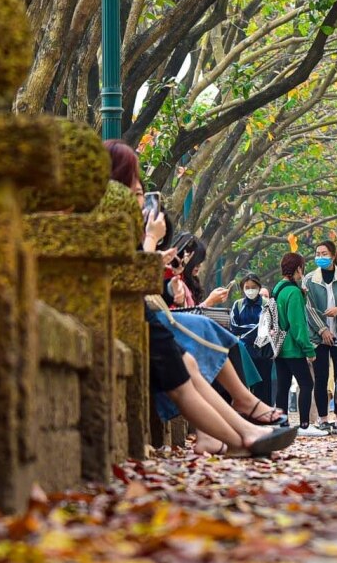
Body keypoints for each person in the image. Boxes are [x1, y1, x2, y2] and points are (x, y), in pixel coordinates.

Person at [105, 141, 295, 457]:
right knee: (188, 361)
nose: (140, 203)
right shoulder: (109, 226)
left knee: (190, 361)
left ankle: (241, 429)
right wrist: (151, 241)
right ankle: (243, 435)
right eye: (136, 193)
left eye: (141, 196)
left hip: (144, 316)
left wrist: (164, 272)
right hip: (130, 319)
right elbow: (130, 278)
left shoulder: (119, 227)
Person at [272, 252, 326, 433]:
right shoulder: (293, 292)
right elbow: (298, 326)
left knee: (283, 385)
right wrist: (309, 350)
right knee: (306, 384)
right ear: (298, 269)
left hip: (278, 347)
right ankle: (304, 425)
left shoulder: (278, 288)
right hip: (293, 348)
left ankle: (282, 423)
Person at [305, 239, 337, 431]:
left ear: (333, 256)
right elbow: (308, 308)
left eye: (324, 254)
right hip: (318, 337)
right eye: (317, 254)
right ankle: (323, 419)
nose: (320, 257)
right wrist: (322, 330)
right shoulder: (309, 279)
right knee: (321, 378)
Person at [230, 272, 275, 402]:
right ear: (243, 288)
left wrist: (250, 331)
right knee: (244, 384)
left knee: (264, 385)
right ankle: (247, 415)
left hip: (264, 350)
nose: (250, 290)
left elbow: (271, 326)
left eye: (253, 287)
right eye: (247, 287)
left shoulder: (268, 304)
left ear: (259, 287)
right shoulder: (237, 305)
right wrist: (258, 328)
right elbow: (234, 327)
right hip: (244, 351)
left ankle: (264, 415)